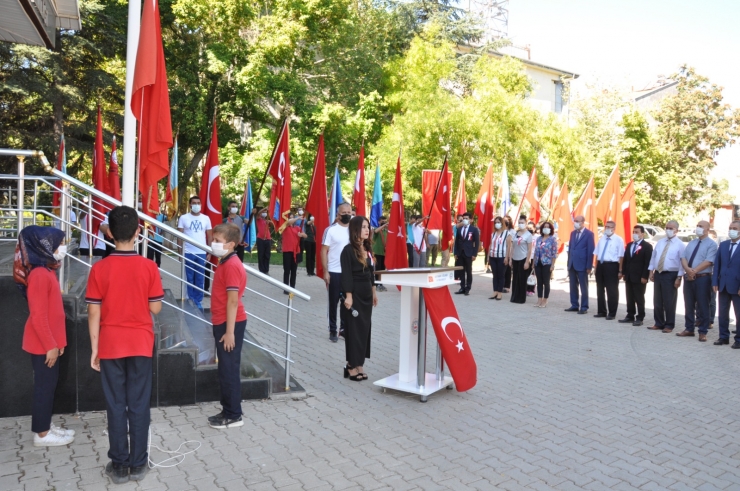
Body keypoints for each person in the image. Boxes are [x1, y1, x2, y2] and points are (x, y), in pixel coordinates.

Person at [86, 206, 164, 484]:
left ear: (109, 232)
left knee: (116, 404)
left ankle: (119, 466)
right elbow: (155, 308)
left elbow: (93, 312)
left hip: (110, 344)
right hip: (141, 343)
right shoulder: (149, 266)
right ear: (138, 232)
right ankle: (139, 464)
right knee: (139, 404)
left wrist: (95, 348)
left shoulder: (99, 268)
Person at [15, 226, 75, 447]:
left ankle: (45, 425)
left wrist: (58, 343)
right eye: (58, 244)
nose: (62, 248)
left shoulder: (46, 270)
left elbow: (53, 313)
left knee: (49, 386)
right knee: (44, 387)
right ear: (45, 247)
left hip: (49, 343)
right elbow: (39, 316)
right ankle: (41, 434)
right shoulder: (40, 275)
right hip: (42, 345)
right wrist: (51, 345)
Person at [207, 223, 248, 429]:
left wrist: (229, 332)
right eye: (213, 240)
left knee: (229, 369)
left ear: (231, 244)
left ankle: (234, 415)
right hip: (223, 321)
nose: (213, 244)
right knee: (225, 368)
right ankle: (228, 408)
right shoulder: (225, 261)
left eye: (218, 241)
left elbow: (233, 301)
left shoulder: (231, 265)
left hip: (229, 323)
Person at [340, 216, 378, 381]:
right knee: (353, 331)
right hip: (354, 296)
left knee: (364, 330)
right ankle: (350, 366)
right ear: (355, 229)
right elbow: (346, 275)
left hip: (366, 296)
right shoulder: (348, 250)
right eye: (363, 227)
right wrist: (348, 296)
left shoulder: (368, 249)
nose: (366, 230)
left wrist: (374, 292)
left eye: (367, 227)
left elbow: (371, 274)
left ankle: (359, 364)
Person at [677, 220, 717, 342]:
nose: (698, 228)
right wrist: (688, 270)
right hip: (688, 277)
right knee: (688, 304)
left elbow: (709, 261)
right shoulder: (691, 243)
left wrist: (693, 271)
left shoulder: (712, 244)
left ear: (707, 229)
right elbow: (683, 257)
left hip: (702, 278)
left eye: (701, 226)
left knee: (703, 305)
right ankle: (689, 328)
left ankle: (703, 331)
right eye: (697, 225)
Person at [647, 220, 685, 333]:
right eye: (667, 227)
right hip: (659, 273)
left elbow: (682, 263)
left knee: (669, 301)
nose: (668, 230)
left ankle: (669, 324)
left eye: (671, 228)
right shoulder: (660, 242)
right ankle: (658, 323)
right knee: (657, 300)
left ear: (676, 230)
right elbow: (653, 257)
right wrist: (651, 271)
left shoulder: (680, 245)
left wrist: (679, 278)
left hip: (671, 275)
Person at [322, 202, 352, 342]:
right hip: (334, 271)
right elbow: (323, 250)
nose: (347, 215)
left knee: (348, 302)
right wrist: (325, 271)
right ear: (338, 214)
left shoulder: (354, 229)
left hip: (350, 272)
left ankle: (344, 329)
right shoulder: (331, 230)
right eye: (344, 213)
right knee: (333, 302)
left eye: (349, 212)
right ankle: (332, 330)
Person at [177, 197, 212, 311]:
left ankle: (198, 301)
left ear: (201, 204)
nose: (196, 205)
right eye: (194, 203)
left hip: (201, 252)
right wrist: (180, 252)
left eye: (198, 203)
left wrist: (210, 251)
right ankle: (189, 300)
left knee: (200, 278)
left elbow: (210, 235)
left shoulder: (206, 218)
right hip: (188, 252)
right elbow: (179, 236)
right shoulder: (184, 218)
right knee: (189, 277)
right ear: (190, 205)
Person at [711, 220, 740, 347]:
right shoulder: (723, 245)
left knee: (739, 314)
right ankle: (723, 337)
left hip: (737, 286)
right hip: (723, 284)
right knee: (722, 313)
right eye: (730, 228)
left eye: (734, 228)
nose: (731, 230)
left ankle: (738, 339)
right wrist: (715, 281)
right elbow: (717, 265)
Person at [619, 226, 653, 326]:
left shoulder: (647, 246)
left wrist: (645, 276)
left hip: (639, 276)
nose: (634, 234)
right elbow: (626, 260)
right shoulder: (629, 245)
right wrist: (624, 272)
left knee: (639, 297)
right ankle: (630, 315)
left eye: (637, 232)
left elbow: (647, 262)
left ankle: (640, 317)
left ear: (642, 234)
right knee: (629, 297)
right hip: (629, 275)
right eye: (633, 232)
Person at [593, 220, 625, 320]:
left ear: (614, 228)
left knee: (612, 290)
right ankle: (601, 311)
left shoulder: (618, 240)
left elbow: (621, 256)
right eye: (606, 226)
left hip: (612, 266)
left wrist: (620, 270)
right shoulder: (601, 239)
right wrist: (596, 267)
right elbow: (597, 254)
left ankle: (612, 312)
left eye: (610, 227)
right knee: (600, 289)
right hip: (601, 265)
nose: (607, 228)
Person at [564, 215, 595, 314]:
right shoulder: (572, 233)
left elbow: (590, 250)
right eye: (575, 221)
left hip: (583, 264)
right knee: (573, 285)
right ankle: (574, 305)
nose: (575, 222)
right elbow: (571, 248)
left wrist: (589, 266)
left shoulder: (589, 234)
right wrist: (568, 263)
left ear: (583, 222)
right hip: (572, 263)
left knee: (583, 286)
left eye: (577, 221)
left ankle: (584, 306)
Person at [508, 215, 533, 304]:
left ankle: (521, 298)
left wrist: (527, 261)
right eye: (519, 222)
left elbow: (530, 249)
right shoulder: (515, 233)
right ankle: (514, 297)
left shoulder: (528, 235)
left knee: (522, 279)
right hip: (515, 258)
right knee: (515, 278)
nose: (520, 224)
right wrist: (510, 259)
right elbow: (513, 247)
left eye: (522, 223)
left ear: (526, 223)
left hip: (523, 258)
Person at [279, 213, 307, 292]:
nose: (291, 220)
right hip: (287, 251)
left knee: (294, 271)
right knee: (287, 270)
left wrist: (301, 234)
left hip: (296, 252)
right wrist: (298, 218)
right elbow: (288, 222)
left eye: (292, 218)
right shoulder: (285, 227)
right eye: (290, 218)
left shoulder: (297, 228)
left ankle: (292, 287)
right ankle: (286, 288)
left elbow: (305, 235)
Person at [533, 220, 558, 308]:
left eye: (548, 227)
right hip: (538, 262)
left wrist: (552, 264)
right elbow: (536, 251)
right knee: (539, 282)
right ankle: (539, 299)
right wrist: (533, 263)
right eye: (544, 227)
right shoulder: (539, 238)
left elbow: (554, 253)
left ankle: (545, 300)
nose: (546, 229)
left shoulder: (552, 239)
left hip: (547, 263)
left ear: (550, 229)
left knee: (546, 282)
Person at [454, 212, 480, 296]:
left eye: (466, 218)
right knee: (461, 271)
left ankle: (468, 288)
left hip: (469, 253)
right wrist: (455, 253)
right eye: (463, 218)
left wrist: (474, 254)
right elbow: (456, 242)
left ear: (471, 220)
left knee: (468, 271)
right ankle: (462, 287)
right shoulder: (459, 229)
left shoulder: (474, 229)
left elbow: (476, 243)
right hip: (460, 253)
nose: (464, 220)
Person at [488, 216, 511, 300]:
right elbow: (490, 245)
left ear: (502, 223)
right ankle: (495, 291)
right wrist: (488, 257)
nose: (497, 224)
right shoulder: (493, 234)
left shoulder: (507, 233)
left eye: (498, 222)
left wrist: (507, 257)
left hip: (502, 256)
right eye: (495, 222)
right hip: (493, 256)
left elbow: (509, 246)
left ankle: (500, 292)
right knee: (495, 274)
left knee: (501, 275)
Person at [255, 207, 273, 274]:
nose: (264, 213)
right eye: (264, 212)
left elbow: (273, 225)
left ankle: (266, 269)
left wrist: (270, 222)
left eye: (266, 212)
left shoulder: (266, 220)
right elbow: (258, 213)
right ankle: (261, 270)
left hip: (268, 239)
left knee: (267, 255)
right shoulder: (259, 219)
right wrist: (265, 208)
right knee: (261, 255)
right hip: (260, 239)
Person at [372, 216, 388, 291]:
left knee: (382, 269)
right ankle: (376, 283)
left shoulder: (386, 231)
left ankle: (381, 283)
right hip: (377, 252)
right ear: (379, 222)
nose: (384, 222)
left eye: (385, 221)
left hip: (384, 252)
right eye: (382, 221)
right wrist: (383, 225)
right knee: (377, 269)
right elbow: (375, 232)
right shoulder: (376, 229)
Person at [526, 221, 539, 297]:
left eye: (531, 228)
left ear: (534, 228)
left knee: (532, 275)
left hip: (533, 258)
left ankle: (531, 289)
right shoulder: (526, 236)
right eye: (528, 228)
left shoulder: (537, 237)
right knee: (526, 274)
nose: (529, 229)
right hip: (526, 258)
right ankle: (525, 288)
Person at [503, 216, 514, 293]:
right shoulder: (500, 231)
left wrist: (510, 255)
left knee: (507, 270)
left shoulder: (512, 232)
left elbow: (513, 244)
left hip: (509, 252)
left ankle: (507, 286)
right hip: (501, 253)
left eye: (507, 220)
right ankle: (501, 285)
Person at [452, 215, 463, 281]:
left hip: (462, 246)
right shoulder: (455, 226)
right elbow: (458, 226)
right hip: (457, 245)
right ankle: (456, 276)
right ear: (457, 220)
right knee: (457, 261)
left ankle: (461, 276)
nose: (462, 222)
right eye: (460, 220)